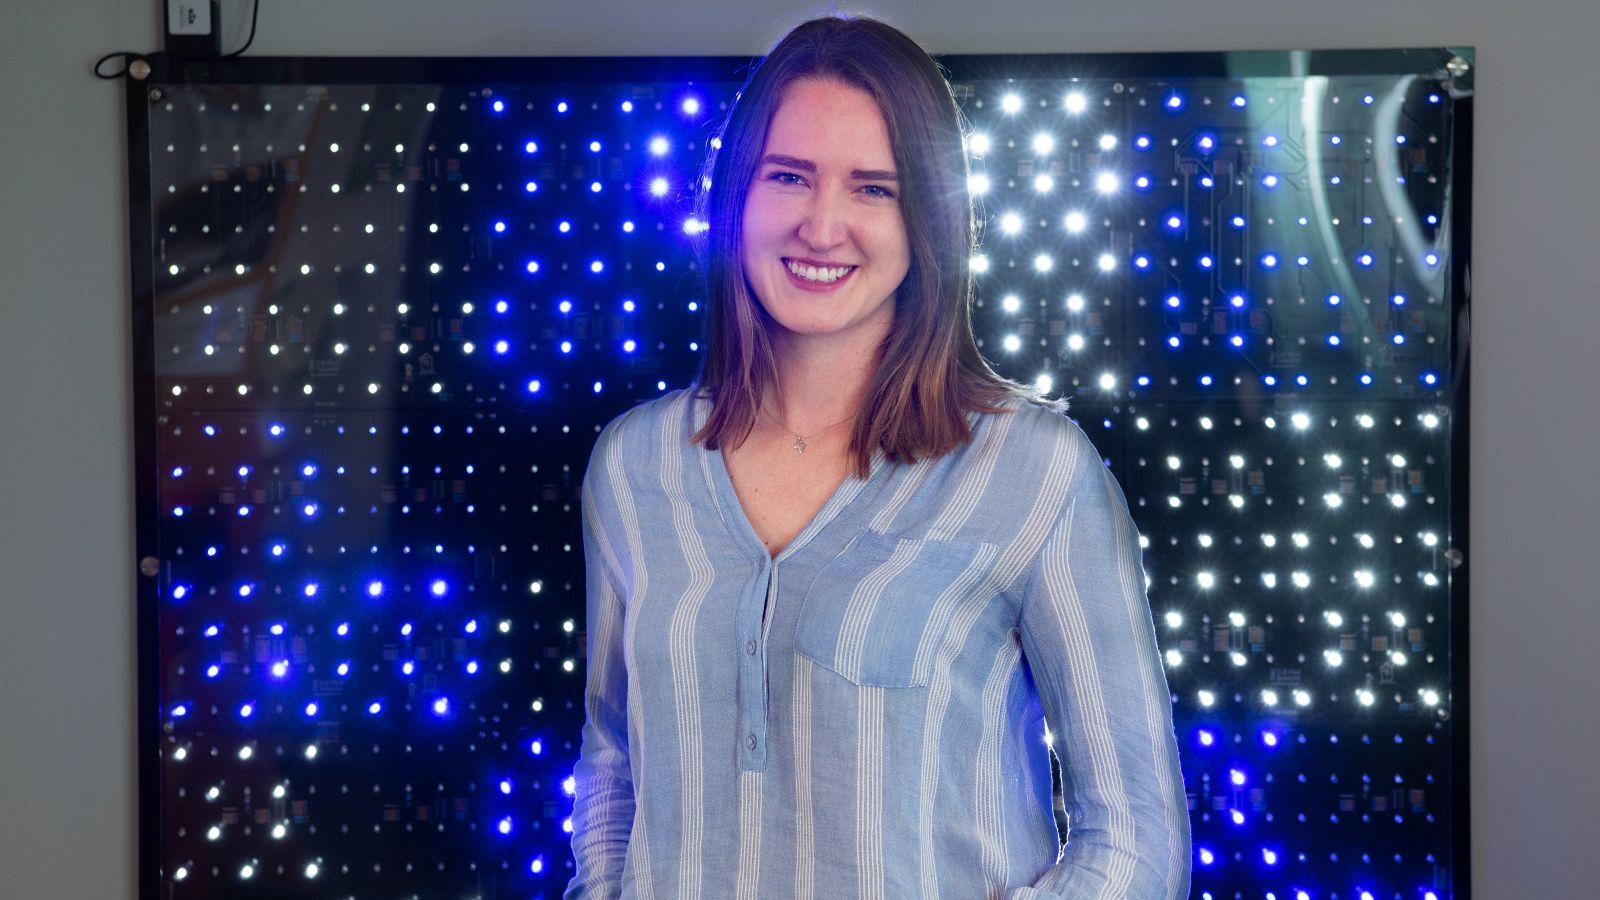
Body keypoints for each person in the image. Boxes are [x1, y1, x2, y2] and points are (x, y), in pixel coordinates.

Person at [565, 14, 1190, 899]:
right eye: (789, 176)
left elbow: (1137, 840)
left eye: (874, 188)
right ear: (737, 194)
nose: (823, 226)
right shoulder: (633, 468)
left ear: (928, 220)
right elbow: (615, 770)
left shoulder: (1036, 470)